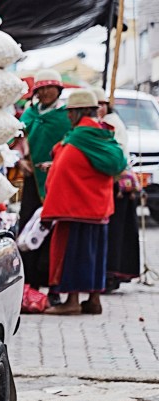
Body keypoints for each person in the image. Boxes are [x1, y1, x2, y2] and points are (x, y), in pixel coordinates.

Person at [40, 89, 127, 315]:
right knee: (95, 254)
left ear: (81, 112)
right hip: (98, 207)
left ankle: (72, 301)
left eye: (71, 113)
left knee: (73, 254)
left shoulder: (80, 136)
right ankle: (94, 300)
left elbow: (67, 168)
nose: (68, 117)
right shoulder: (101, 134)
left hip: (76, 207)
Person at [16, 69, 72, 295]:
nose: (46, 92)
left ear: (58, 90)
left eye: (51, 88)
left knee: (54, 231)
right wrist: (21, 161)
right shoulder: (28, 116)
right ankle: (29, 284)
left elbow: (71, 146)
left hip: (58, 183)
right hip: (32, 181)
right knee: (29, 226)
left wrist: (57, 164)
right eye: (42, 89)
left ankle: (53, 286)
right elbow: (15, 140)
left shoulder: (66, 117)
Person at [92, 86, 141, 291]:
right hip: (109, 185)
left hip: (115, 185)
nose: (99, 109)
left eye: (101, 105)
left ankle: (109, 275)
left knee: (113, 232)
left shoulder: (109, 124)